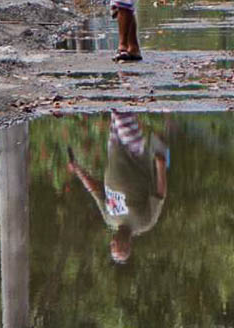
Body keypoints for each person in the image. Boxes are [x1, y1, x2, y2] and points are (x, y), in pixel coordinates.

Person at [67, 112, 168, 264]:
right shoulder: (144, 222)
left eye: (111, 246)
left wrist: (78, 170)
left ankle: (123, 90)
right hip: (135, 154)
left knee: (117, 109)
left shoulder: (110, 219)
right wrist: (160, 167)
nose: (112, 243)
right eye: (116, 246)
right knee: (121, 111)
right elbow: (160, 195)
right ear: (127, 246)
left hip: (114, 150)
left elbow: (95, 191)